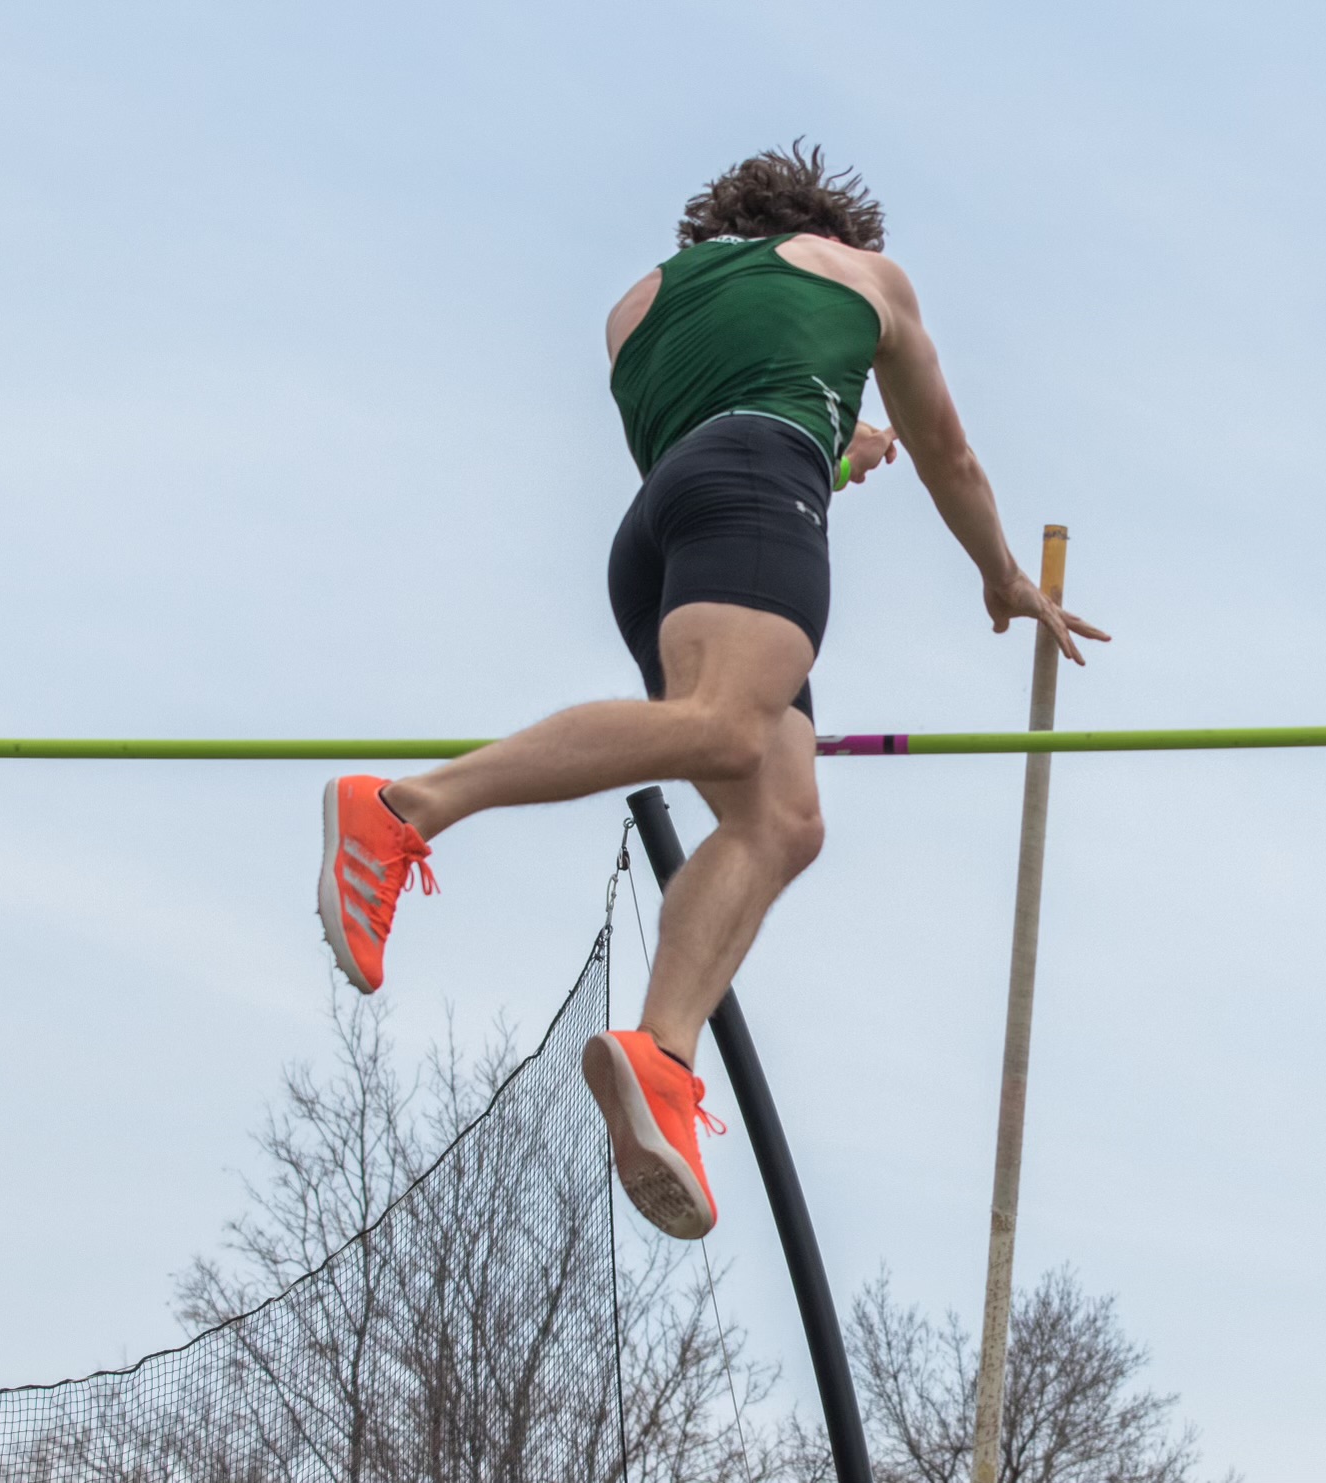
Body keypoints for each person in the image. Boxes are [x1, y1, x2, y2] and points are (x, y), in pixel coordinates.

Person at [315, 143, 1108, 1240]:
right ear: (833, 230)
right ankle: (407, 808)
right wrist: (1001, 576)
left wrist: (837, 446)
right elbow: (951, 455)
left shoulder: (635, 308)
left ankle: (662, 1058)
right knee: (730, 728)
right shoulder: (864, 276)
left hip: (661, 537)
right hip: (753, 492)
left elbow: (724, 425)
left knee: (779, 818)